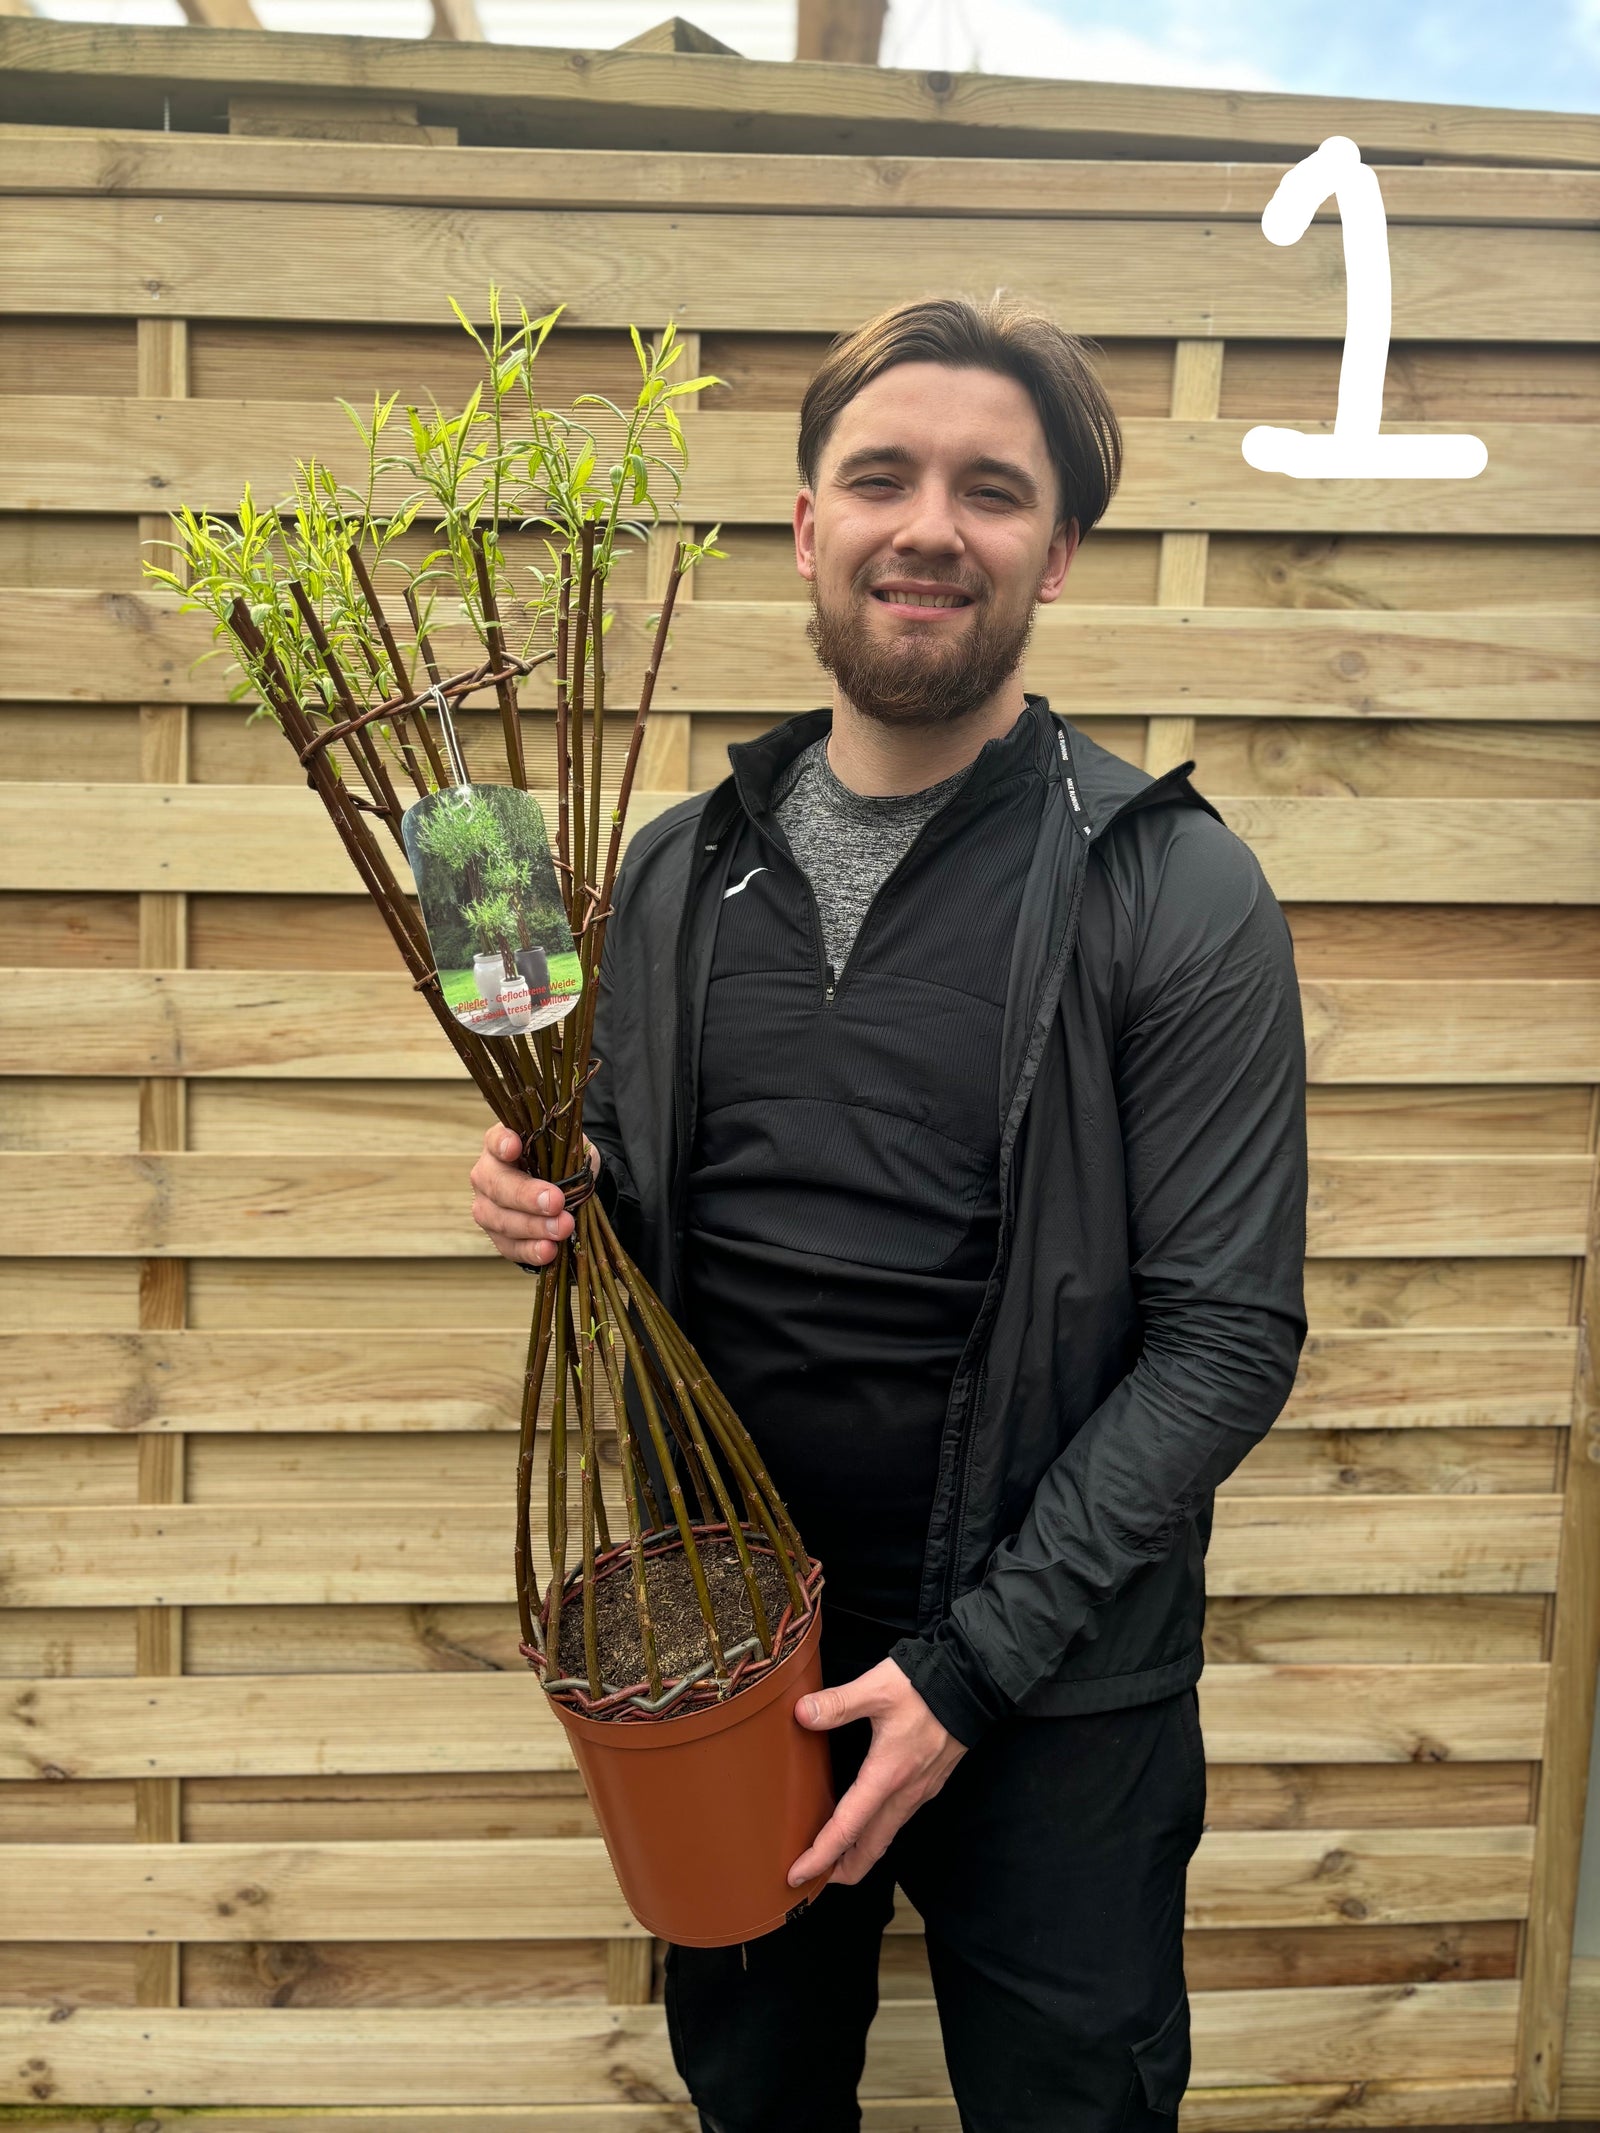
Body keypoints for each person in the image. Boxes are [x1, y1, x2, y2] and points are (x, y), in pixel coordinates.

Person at [469, 293, 1308, 2133]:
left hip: (1059, 1692)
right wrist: (546, 1191)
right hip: (732, 1662)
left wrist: (963, 1667)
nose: (931, 523)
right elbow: (612, 1171)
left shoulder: (1172, 886)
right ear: (806, 525)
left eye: (992, 489)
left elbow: (1231, 1334)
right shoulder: (677, 869)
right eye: (882, 474)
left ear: (1057, 554)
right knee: (756, 2103)